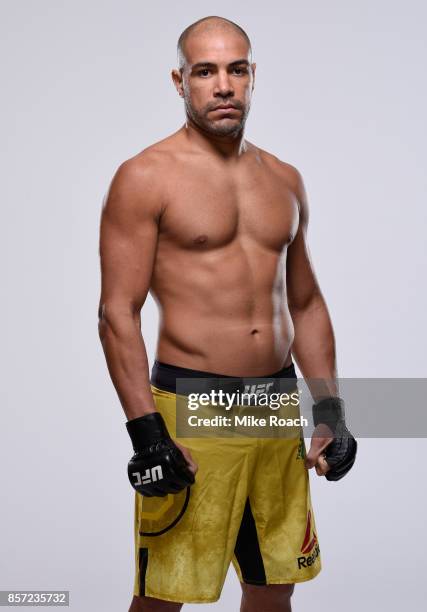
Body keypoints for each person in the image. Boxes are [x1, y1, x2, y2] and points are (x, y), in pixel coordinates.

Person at [98, 15, 357, 612]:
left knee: (273, 587)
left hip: (273, 403)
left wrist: (332, 410)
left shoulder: (284, 180)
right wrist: (146, 433)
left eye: (236, 70)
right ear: (179, 80)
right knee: (166, 591)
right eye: (205, 71)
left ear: (252, 76)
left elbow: (307, 303)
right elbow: (118, 312)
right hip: (193, 408)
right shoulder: (145, 177)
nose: (223, 85)